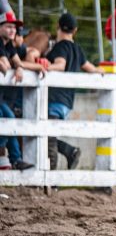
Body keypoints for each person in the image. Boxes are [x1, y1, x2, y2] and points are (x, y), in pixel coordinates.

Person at [46, 13, 105, 169]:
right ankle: (70, 152)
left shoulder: (60, 46)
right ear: (75, 30)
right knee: (47, 136)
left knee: (47, 138)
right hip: (67, 102)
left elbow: (60, 65)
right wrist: (103, 71)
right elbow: (90, 69)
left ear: (57, 26)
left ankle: (51, 179)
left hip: (53, 99)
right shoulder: (77, 49)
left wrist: (44, 67)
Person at [0, 11, 46, 170]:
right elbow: (6, 65)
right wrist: (15, 66)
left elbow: (16, 63)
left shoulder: (8, 45)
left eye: (14, 28)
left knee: (9, 119)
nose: (13, 31)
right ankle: (14, 158)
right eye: (8, 27)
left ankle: (15, 159)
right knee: (6, 119)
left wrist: (19, 67)